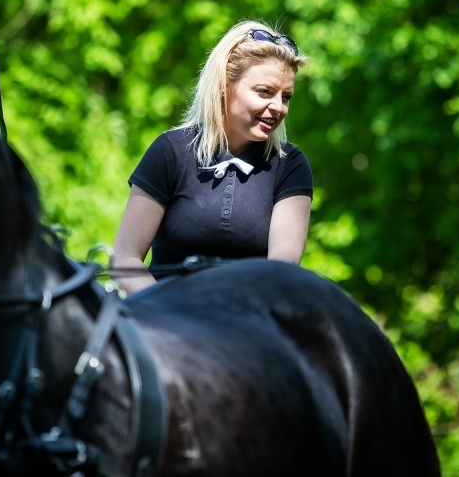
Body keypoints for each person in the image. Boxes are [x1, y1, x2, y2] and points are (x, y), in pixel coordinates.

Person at [111, 20, 313, 295]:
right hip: (164, 321)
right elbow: (125, 259)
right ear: (224, 86)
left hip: (246, 323)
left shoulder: (290, 165)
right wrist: (168, 312)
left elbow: (280, 271)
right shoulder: (170, 152)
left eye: (286, 96)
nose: (278, 107)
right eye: (264, 92)